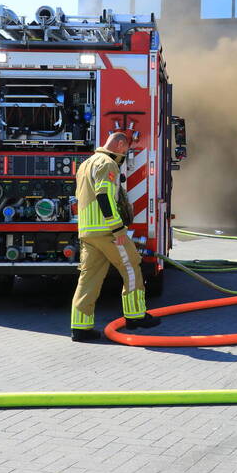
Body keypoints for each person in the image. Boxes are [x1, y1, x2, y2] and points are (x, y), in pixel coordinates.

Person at [69, 132, 158, 341]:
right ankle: (135, 316)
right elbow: (103, 196)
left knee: (88, 278)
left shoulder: (85, 164)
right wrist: (118, 228)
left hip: (88, 232)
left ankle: (80, 328)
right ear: (119, 144)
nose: (125, 153)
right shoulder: (107, 163)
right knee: (131, 266)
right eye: (125, 149)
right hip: (107, 231)